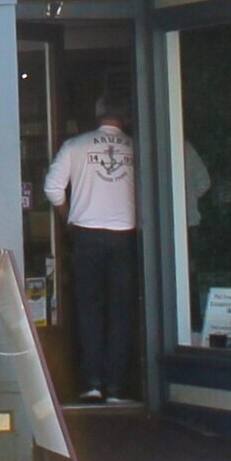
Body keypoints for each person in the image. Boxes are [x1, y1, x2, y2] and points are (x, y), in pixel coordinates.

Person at [43, 87, 140, 403]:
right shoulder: (135, 148)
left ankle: (91, 383)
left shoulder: (76, 145)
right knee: (121, 310)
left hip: (84, 233)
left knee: (88, 309)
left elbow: (52, 188)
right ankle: (116, 386)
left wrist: (68, 217)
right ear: (125, 118)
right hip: (124, 234)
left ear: (97, 114)